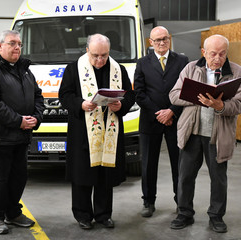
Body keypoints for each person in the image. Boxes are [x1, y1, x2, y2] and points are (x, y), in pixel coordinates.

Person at [59, 33, 135, 229]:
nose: (100, 60)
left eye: (104, 55)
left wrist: (122, 106)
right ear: (87, 51)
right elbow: (65, 95)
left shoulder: (118, 69)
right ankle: (83, 215)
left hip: (110, 129)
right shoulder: (73, 68)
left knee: (105, 175)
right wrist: (80, 104)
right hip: (83, 132)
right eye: (95, 55)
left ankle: (103, 214)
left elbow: (129, 94)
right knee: (82, 174)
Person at [0, 30, 45, 234]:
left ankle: (13, 213)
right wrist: (18, 121)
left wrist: (36, 118)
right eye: (12, 43)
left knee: (18, 177)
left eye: (20, 44)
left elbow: (38, 96)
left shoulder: (23, 69)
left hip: (20, 136)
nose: (17, 47)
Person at [169, 34, 241, 233]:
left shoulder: (236, 72)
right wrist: (197, 98)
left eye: (222, 54)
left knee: (218, 179)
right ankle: (184, 213)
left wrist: (220, 106)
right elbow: (173, 95)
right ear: (203, 52)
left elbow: (239, 104)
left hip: (218, 136)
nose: (217, 58)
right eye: (213, 54)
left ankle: (216, 217)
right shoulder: (191, 68)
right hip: (192, 132)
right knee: (185, 176)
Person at [133, 26, 189, 217]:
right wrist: (159, 113)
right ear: (151, 42)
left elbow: (186, 91)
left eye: (165, 38)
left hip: (176, 119)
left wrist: (172, 111)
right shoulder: (142, 63)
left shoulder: (182, 61)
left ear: (170, 38)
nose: (162, 42)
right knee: (148, 164)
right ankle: (148, 201)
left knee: (179, 163)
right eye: (157, 40)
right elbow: (139, 94)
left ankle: (181, 202)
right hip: (151, 120)